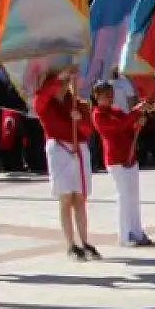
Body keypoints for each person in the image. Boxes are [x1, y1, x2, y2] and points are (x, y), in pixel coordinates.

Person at [34, 68, 99, 260]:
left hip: (79, 149)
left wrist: (79, 121)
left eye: (65, 83)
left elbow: (88, 131)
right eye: (59, 84)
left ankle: (85, 241)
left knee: (80, 198)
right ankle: (71, 245)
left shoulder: (79, 103)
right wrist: (57, 77)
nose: (62, 87)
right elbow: (39, 100)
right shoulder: (45, 104)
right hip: (59, 149)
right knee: (65, 198)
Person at [89, 81, 154, 247]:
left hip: (129, 156)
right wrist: (136, 111)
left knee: (134, 196)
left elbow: (129, 126)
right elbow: (117, 127)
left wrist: (139, 123)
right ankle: (124, 235)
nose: (110, 99)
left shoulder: (116, 111)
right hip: (115, 159)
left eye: (111, 95)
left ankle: (137, 232)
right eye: (105, 96)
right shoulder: (97, 115)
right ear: (97, 97)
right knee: (124, 197)